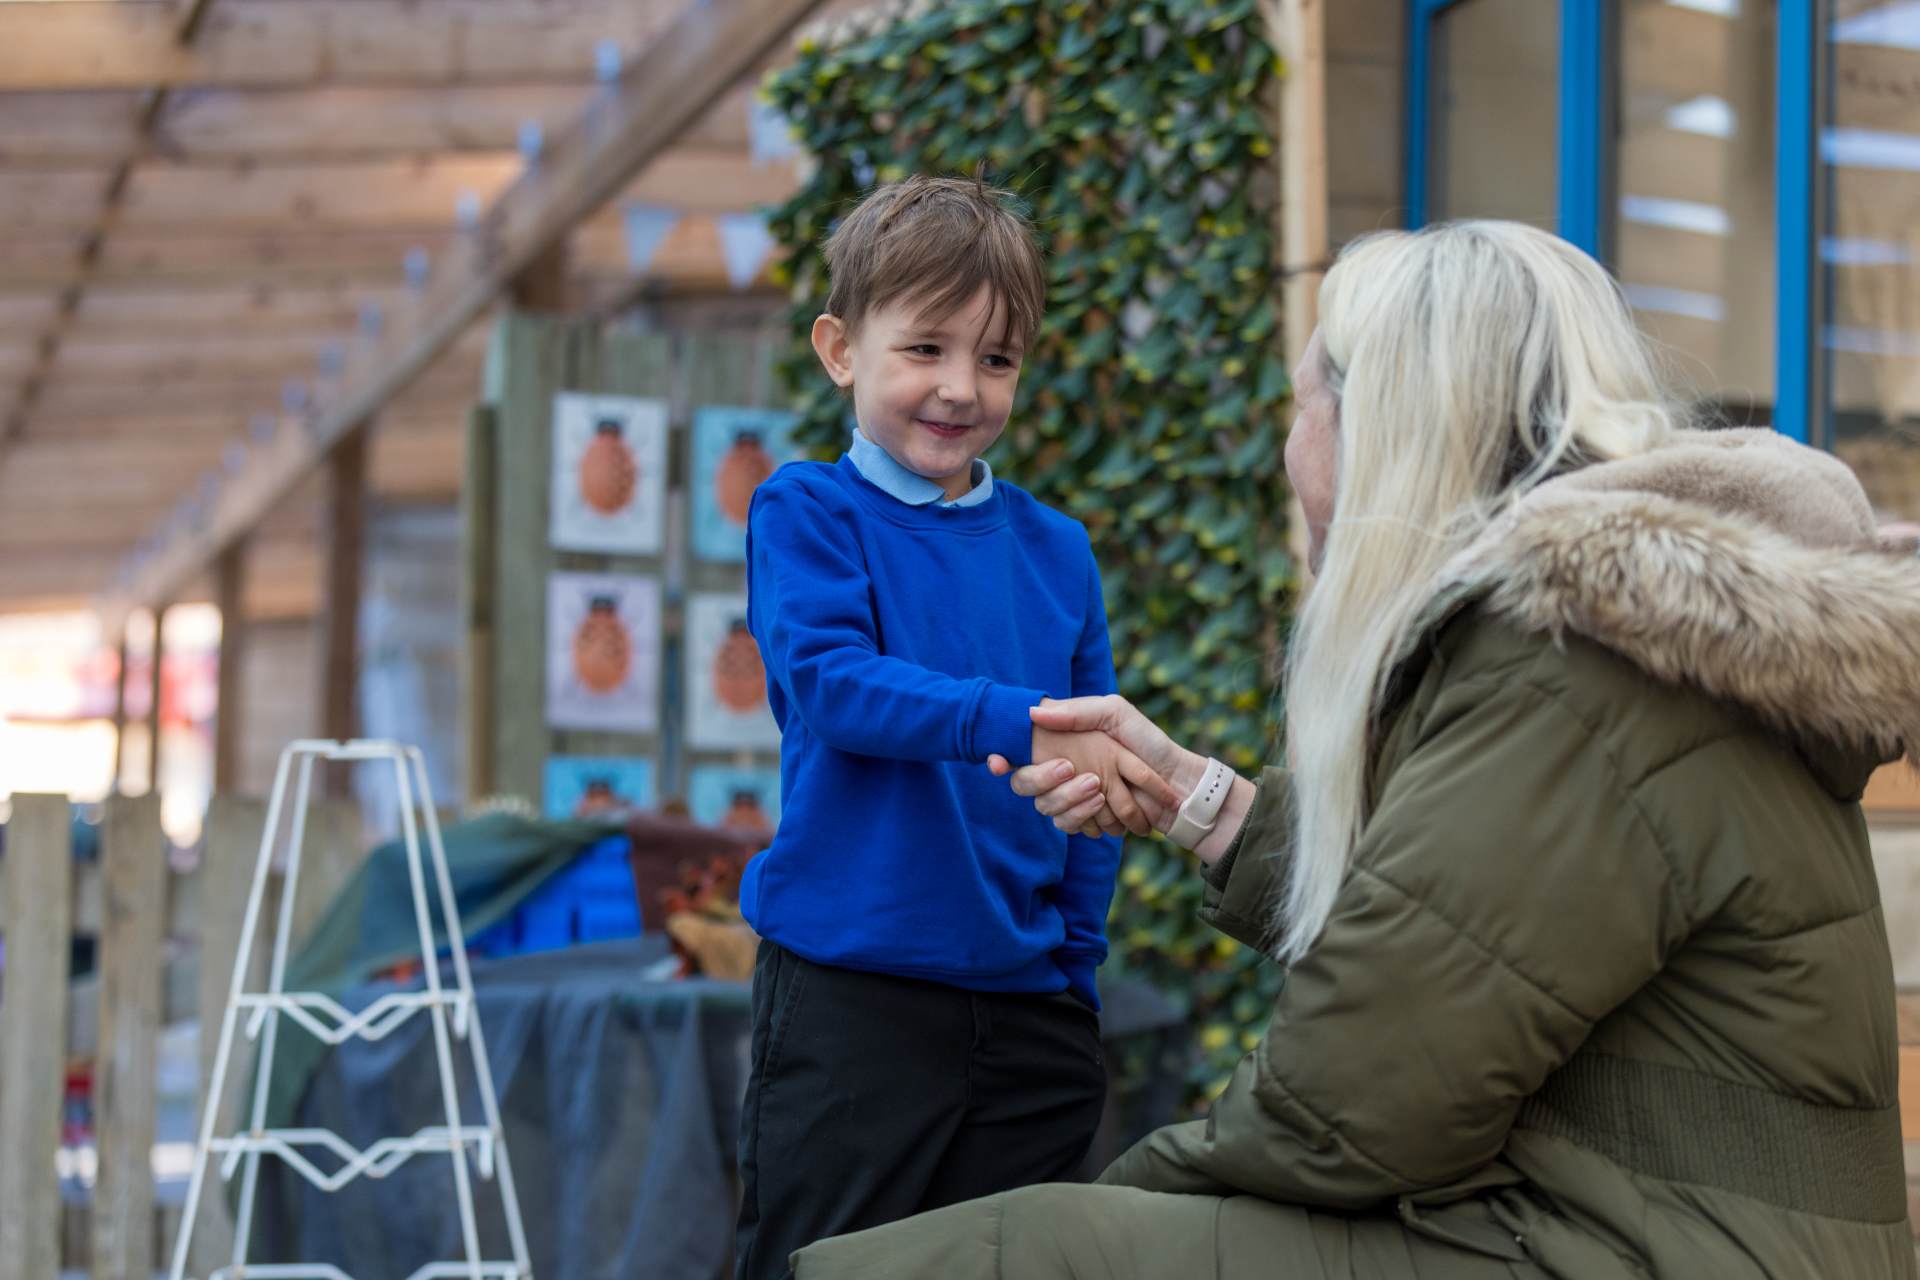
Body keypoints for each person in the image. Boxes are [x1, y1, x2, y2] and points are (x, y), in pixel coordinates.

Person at [790, 219, 1920, 1278]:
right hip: (1640, 1220)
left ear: (1386, 428)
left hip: (1633, 1241)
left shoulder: (1576, 675)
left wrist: (1117, 1201)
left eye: (1301, 404)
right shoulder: (1605, 642)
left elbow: (1358, 1096)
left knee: (997, 1255)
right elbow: (1447, 904)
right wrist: (1199, 798)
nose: (1289, 446)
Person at [733, 174, 1182, 1280]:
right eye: (926, 348)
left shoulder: (1058, 549)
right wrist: (1017, 722)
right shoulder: (805, 510)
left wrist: (1074, 973)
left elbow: (1095, 788)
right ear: (841, 349)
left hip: (1032, 1014)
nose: (959, 388)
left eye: (996, 359)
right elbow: (835, 685)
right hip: (853, 1002)